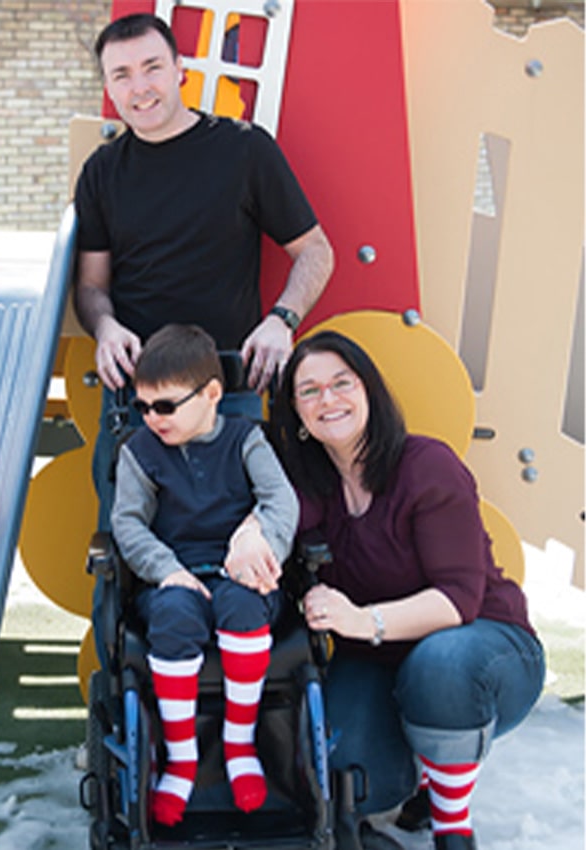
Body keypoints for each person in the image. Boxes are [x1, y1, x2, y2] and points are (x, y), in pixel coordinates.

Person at [271, 330, 545, 850]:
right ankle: (424, 770)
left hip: (483, 647)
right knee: (349, 773)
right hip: (378, 661)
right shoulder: (310, 484)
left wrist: (361, 619)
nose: (327, 399)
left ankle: (452, 825)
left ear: (368, 389)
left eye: (340, 382)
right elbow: (274, 525)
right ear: (297, 415)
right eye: (308, 391)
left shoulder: (426, 466)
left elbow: (458, 601)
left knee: (439, 668)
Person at [74, 12, 335, 529]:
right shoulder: (101, 172)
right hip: (136, 394)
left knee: (246, 545)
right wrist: (104, 327)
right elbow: (90, 286)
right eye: (121, 74)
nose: (139, 87)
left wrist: (282, 319)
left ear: (180, 71)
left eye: (152, 67)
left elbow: (316, 251)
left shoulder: (244, 150)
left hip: (231, 388)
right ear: (108, 86)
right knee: (126, 551)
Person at [110, 324, 299, 826]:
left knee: (242, 606)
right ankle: (182, 756)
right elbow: (127, 523)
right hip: (175, 574)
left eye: (166, 406)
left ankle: (239, 743)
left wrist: (263, 541)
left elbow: (280, 501)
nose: (152, 418)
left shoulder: (246, 439)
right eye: (143, 406)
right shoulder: (139, 452)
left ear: (212, 394)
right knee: (172, 615)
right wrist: (166, 570)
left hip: (243, 571)